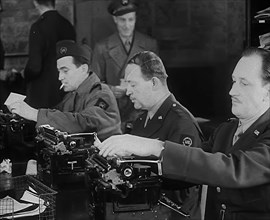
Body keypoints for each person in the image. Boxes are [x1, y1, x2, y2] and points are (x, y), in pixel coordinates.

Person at [97, 47, 270, 220]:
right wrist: (128, 161)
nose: (232, 91)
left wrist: (156, 146)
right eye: (234, 81)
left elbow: (232, 170)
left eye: (244, 83)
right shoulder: (226, 131)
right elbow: (190, 170)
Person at [122, 51, 204, 219]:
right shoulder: (141, 119)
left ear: (154, 83)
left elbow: (185, 177)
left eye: (133, 84)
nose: (127, 91)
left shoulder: (182, 123)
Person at [8, 40, 121, 141]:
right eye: (59, 71)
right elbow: (57, 115)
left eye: (65, 71)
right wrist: (23, 116)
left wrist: (34, 114)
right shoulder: (72, 95)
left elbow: (82, 123)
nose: (60, 77)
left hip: (106, 160)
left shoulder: (101, 94)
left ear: (83, 69)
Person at [92, 0, 159, 132]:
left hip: (140, 111)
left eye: (131, 20)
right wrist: (111, 89)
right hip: (113, 113)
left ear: (135, 19)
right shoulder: (102, 47)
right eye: (122, 20)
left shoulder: (149, 44)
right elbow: (94, 83)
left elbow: (156, 80)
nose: (127, 25)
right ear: (115, 19)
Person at [24, 0, 76, 109]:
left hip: (43, 94)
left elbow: (34, 67)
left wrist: (24, 75)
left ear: (35, 3)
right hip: (65, 90)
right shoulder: (67, 25)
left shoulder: (38, 27)